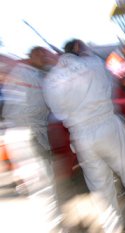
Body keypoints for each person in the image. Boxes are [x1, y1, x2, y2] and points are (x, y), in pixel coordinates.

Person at [43, 39, 125, 232]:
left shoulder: (51, 80)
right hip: (106, 125)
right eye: (82, 46)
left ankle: (112, 227)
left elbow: (58, 112)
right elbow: (111, 83)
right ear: (77, 49)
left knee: (100, 188)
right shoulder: (93, 63)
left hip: (81, 136)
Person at [2, 46, 64, 232]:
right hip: (25, 134)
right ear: (33, 55)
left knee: (44, 184)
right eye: (41, 54)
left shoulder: (36, 75)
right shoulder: (23, 73)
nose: (44, 58)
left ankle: (54, 224)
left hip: (31, 134)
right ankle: (53, 228)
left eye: (45, 55)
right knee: (43, 187)